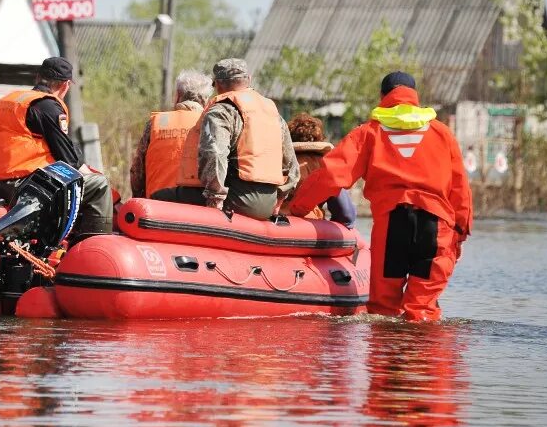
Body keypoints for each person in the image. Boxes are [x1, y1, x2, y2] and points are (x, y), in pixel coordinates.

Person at [286, 71, 473, 321]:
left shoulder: (369, 133)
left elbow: (331, 175)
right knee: (423, 312)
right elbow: (460, 190)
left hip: (391, 227)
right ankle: (425, 359)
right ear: (415, 97)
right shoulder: (443, 134)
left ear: (383, 96)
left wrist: (297, 208)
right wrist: (460, 233)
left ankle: (387, 358)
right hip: (436, 226)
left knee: (383, 312)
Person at [0, 57, 113, 240]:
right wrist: (94, 177)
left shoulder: (9, 101)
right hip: (25, 186)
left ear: (38, 77)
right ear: (65, 85)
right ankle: (94, 249)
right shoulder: (47, 105)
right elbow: (68, 158)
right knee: (99, 185)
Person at [172, 58, 299, 220]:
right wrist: (280, 198)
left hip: (236, 201)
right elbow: (293, 168)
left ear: (217, 84)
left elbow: (214, 154)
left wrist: (215, 199)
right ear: (249, 79)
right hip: (268, 204)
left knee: (159, 197)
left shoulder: (221, 111)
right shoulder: (273, 114)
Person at [130, 70, 213, 199]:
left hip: (156, 207)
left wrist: (139, 199)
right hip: (197, 210)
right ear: (206, 101)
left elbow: (137, 172)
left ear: (178, 95)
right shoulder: (212, 125)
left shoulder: (155, 123)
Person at [279, 113, 357, 228]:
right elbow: (346, 214)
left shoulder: (279, 162)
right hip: (309, 227)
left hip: (277, 222)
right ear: (319, 139)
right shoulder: (325, 166)